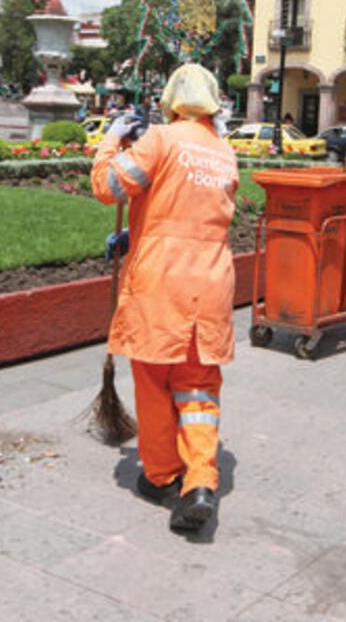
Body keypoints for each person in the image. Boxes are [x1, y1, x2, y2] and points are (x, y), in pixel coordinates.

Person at [91, 64, 238, 532]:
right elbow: (192, 212)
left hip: (161, 287)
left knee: (154, 389)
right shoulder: (224, 151)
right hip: (210, 284)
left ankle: (160, 476)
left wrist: (111, 141)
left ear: (172, 101)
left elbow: (107, 187)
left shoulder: (160, 139)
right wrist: (141, 228)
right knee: (198, 392)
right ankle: (200, 482)